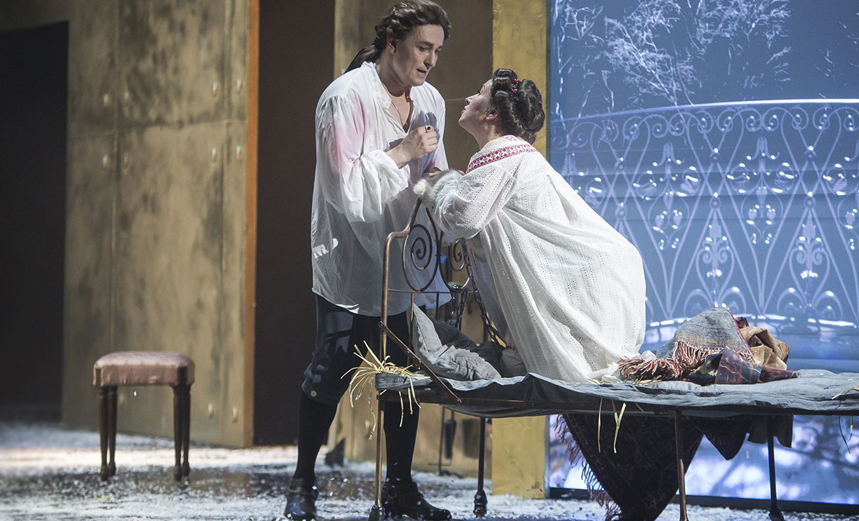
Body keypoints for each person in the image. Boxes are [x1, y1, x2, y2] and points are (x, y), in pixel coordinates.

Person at [286, 2, 452, 520]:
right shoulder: (345, 97)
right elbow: (345, 191)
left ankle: (398, 486)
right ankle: (302, 482)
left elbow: (432, 174)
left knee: (404, 377)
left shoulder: (430, 101)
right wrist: (403, 152)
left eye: (437, 51)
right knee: (330, 368)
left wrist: (448, 188)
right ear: (393, 42)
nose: (430, 60)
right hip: (350, 259)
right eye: (423, 47)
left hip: (402, 262)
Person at [414, 69, 646, 383]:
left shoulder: (501, 156)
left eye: (479, 93)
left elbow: (463, 219)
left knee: (576, 368)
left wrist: (439, 187)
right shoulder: (515, 154)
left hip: (586, 275)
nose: (468, 99)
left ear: (492, 113)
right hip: (601, 268)